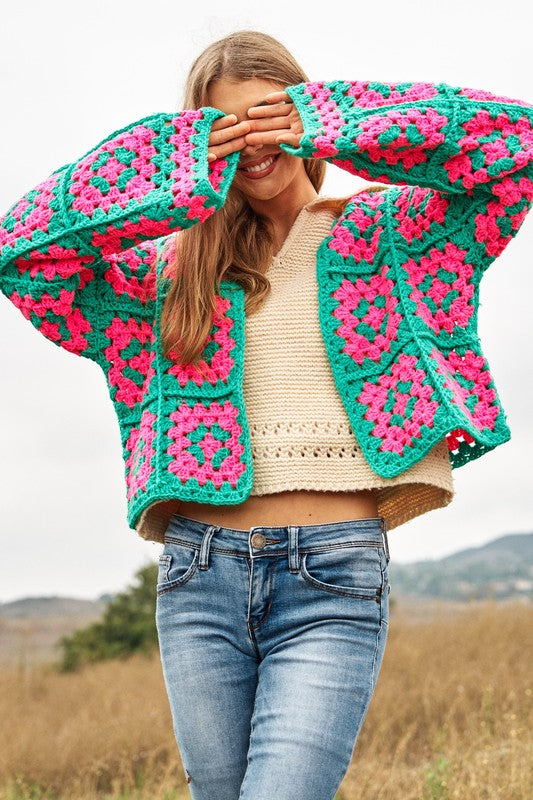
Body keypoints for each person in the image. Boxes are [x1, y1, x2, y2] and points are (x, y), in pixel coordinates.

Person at [1, 28, 532, 800]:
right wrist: (170, 160)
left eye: (267, 116)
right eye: (223, 128)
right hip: (198, 575)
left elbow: (514, 146)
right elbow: (22, 251)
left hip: (334, 574)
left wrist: (335, 119)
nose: (251, 142)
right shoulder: (170, 274)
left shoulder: (396, 236)